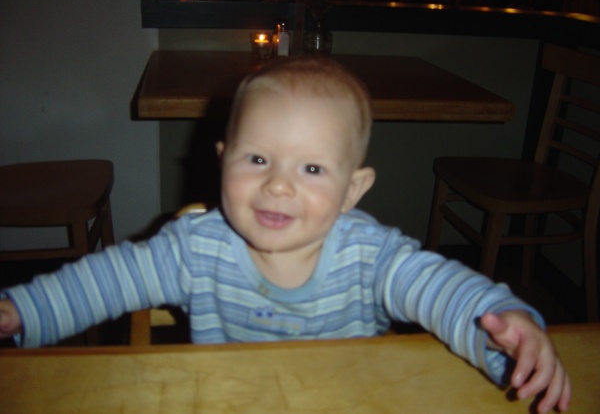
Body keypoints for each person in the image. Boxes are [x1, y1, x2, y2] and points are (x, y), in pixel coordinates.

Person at [0, 56, 569, 413]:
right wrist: (20, 310)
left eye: (312, 168)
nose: (277, 185)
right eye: (257, 159)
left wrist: (507, 333)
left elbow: (441, 290)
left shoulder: (370, 257)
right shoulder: (195, 249)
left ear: (352, 191)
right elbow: (106, 279)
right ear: (222, 161)